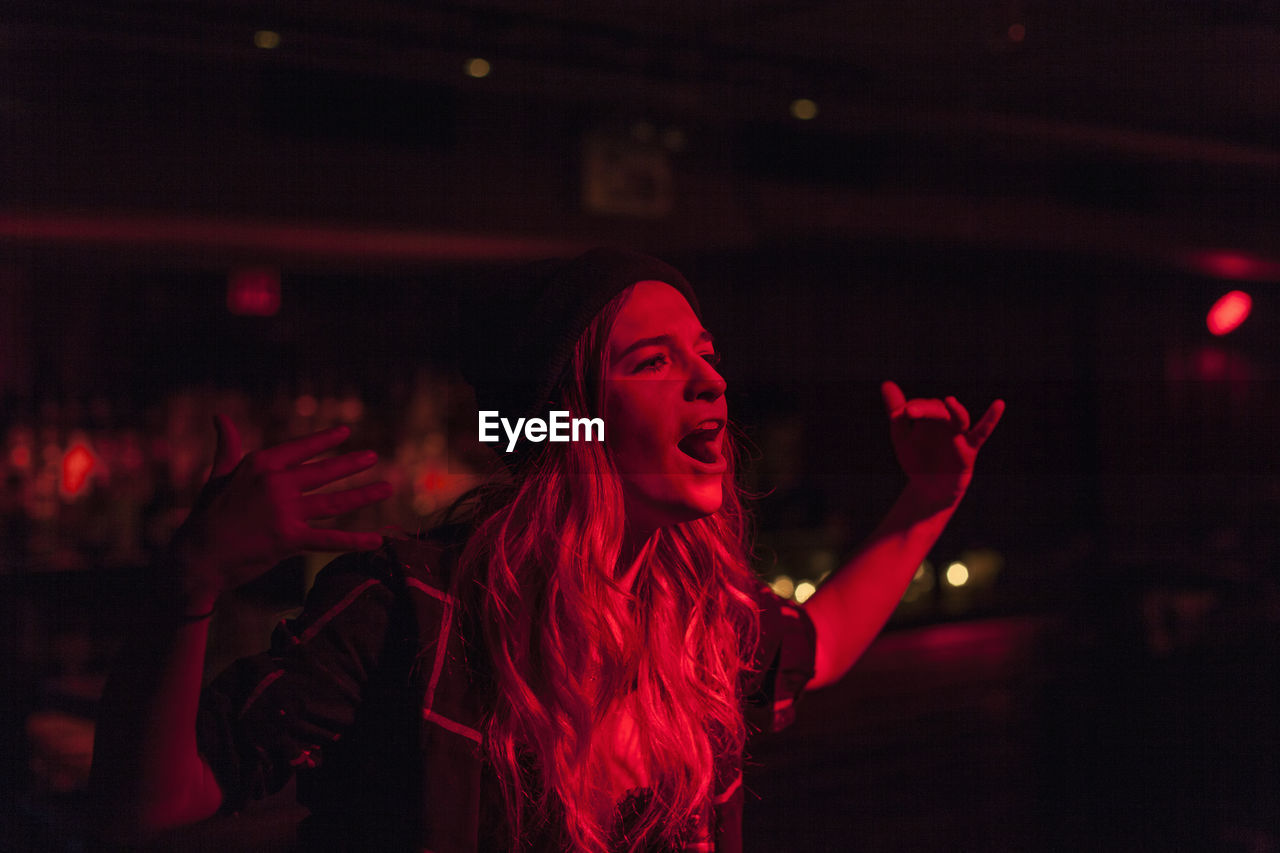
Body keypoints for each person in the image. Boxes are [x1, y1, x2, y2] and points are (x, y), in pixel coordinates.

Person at [89, 248, 1003, 851]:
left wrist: (928, 500)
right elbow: (153, 800)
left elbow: (823, 642)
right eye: (652, 361)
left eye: (707, 353)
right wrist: (193, 577)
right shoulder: (409, 607)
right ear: (568, 421)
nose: (711, 378)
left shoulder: (697, 622)